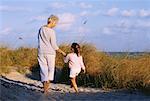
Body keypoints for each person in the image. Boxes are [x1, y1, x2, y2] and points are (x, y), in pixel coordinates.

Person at [38, 15, 66, 94]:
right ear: (53, 22)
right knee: (50, 71)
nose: (55, 25)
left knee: (43, 70)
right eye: (56, 23)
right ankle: (47, 89)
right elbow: (54, 45)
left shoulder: (41, 29)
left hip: (41, 51)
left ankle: (45, 89)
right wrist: (62, 52)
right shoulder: (51, 31)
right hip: (50, 53)